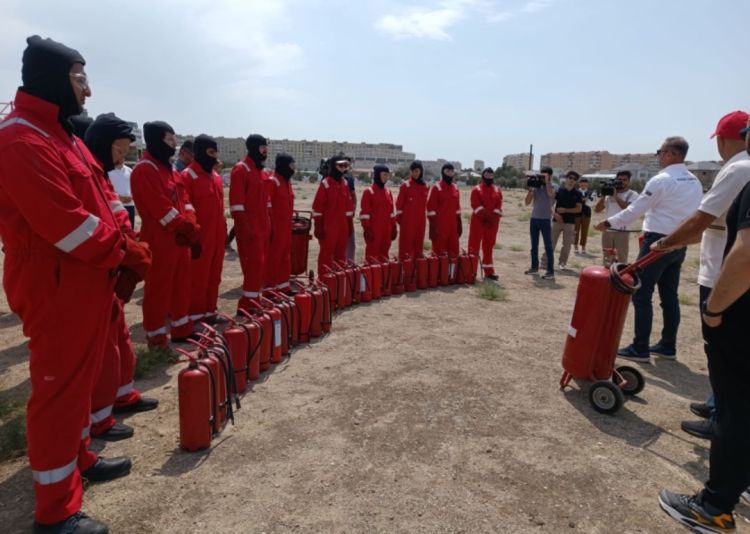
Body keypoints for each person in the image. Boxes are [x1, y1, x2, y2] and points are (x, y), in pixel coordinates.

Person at [0, 35, 149, 534]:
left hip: (84, 277)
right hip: (56, 280)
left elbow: (101, 202)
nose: (87, 91)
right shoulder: (21, 139)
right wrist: (124, 250)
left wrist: (120, 246)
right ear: (50, 78)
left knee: (80, 381)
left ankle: (78, 457)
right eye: (79, 78)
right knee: (59, 388)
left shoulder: (58, 134)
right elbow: (67, 224)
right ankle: (56, 510)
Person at [658, 163, 750, 534]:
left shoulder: (742, 172)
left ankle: (713, 509)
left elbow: (746, 254)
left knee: (735, 411)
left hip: (741, 317)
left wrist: (715, 309)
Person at [651, 111, 750, 441]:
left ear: (723, 139)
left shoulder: (737, 168)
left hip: (723, 276)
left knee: (722, 353)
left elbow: (701, 220)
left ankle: (722, 420)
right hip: (727, 270)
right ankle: (715, 406)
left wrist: (666, 242)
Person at [83, 113, 159, 442]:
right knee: (98, 352)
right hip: (91, 272)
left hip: (111, 270)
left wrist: (131, 247)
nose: (121, 158)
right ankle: (97, 421)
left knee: (120, 344)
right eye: (119, 150)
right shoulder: (86, 174)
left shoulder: (101, 177)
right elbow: (85, 228)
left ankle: (122, 395)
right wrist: (123, 252)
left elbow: (118, 217)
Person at [595, 136, 702, 363]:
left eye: (660, 151)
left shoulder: (661, 180)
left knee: (641, 294)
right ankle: (667, 345)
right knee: (669, 296)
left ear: (671, 154)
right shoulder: (694, 181)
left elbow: (636, 209)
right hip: (680, 242)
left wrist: (608, 222)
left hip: (657, 242)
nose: (659, 156)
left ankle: (640, 347)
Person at [132, 121, 200, 348]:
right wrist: (184, 227)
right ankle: (156, 335)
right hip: (161, 240)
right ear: (156, 140)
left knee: (182, 284)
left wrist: (190, 223)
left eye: (174, 139)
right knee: (159, 288)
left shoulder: (171, 170)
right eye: (169, 139)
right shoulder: (145, 170)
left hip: (180, 240)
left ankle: (182, 328)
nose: (173, 144)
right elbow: (160, 209)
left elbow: (186, 201)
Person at [181, 134, 227, 323]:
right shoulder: (187, 177)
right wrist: (193, 237)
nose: (214, 156)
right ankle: (196, 317)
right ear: (199, 152)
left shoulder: (215, 177)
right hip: (200, 238)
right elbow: (184, 208)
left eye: (216, 152)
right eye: (210, 152)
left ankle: (210, 312)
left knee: (214, 276)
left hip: (217, 237)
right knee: (197, 278)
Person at [230, 134, 271, 311]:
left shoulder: (261, 172)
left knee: (260, 267)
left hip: (262, 228)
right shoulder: (241, 169)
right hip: (250, 229)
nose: (265, 151)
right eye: (263, 147)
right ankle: (247, 304)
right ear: (254, 148)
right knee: (252, 267)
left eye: (266, 147)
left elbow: (266, 203)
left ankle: (255, 299)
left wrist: (269, 226)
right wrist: (245, 229)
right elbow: (237, 206)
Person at [312, 155, 355, 275]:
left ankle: (339, 283)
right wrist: (318, 225)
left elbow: (349, 207)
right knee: (326, 254)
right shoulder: (325, 183)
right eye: (340, 165)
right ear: (333, 166)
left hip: (342, 228)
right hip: (328, 227)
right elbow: (317, 208)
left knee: (341, 255)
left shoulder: (345, 183)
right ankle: (324, 280)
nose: (343, 168)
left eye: (345, 166)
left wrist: (349, 223)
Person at [264, 153, 296, 291]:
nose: (293, 168)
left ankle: (283, 286)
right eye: (291, 165)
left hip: (286, 227)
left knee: (285, 257)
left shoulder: (286, 182)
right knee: (273, 258)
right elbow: (266, 206)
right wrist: (270, 228)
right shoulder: (273, 181)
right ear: (284, 165)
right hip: (275, 228)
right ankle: (270, 290)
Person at [594, 170, 639, 264]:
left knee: (621, 258)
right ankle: (607, 276)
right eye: (619, 179)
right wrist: (604, 195)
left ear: (629, 181)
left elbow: (627, 208)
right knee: (607, 258)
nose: (621, 182)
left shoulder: (632, 194)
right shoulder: (609, 195)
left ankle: (618, 277)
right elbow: (597, 210)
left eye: (624, 180)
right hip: (607, 230)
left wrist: (615, 196)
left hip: (622, 231)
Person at [468, 167, 503, 280]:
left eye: (491, 175)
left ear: (493, 176)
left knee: (489, 246)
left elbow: (499, 207)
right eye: (486, 174)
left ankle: (489, 272)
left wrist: (492, 219)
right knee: (474, 246)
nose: (488, 177)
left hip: (492, 224)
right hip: (478, 221)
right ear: (483, 175)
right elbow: (475, 205)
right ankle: (471, 272)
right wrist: (485, 218)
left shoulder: (497, 190)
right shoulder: (476, 189)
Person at [427, 163, 461, 275]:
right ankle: (437, 274)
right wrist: (432, 226)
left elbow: (457, 208)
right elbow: (430, 208)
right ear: (443, 173)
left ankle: (450, 275)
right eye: (447, 171)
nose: (450, 173)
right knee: (439, 250)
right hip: (440, 226)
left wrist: (459, 223)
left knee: (454, 250)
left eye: (452, 171)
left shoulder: (455, 187)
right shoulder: (437, 187)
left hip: (453, 226)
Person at [524, 166, 556, 280]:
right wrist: (531, 189)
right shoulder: (536, 187)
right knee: (534, 245)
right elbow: (527, 202)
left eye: (544, 175)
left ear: (549, 176)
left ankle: (550, 271)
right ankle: (534, 267)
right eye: (541, 175)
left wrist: (547, 182)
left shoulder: (552, 186)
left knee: (548, 246)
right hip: (534, 219)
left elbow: (551, 195)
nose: (542, 177)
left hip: (545, 220)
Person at [546, 171, 582, 270]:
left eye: (574, 179)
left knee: (566, 245)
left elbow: (579, 209)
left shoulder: (578, 193)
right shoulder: (559, 190)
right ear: (566, 178)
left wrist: (565, 210)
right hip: (556, 221)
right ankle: (545, 261)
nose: (572, 180)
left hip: (570, 223)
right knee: (551, 242)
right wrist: (555, 214)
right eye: (570, 178)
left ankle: (562, 263)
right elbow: (550, 198)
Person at [360, 165, 397, 261]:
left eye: (388, 175)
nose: (386, 177)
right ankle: (370, 275)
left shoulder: (388, 192)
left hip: (387, 231)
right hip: (374, 231)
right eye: (384, 174)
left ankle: (383, 275)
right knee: (372, 256)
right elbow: (365, 214)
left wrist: (394, 227)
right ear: (377, 175)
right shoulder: (368, 192)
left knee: (384, 256)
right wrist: (367, 229)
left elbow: (391, 213)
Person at [396, 160, 428, 261]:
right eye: (413, 171)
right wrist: (402, 221)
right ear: (410, 172)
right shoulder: (405, 186)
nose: (415, 173)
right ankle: (405, 271)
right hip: (407, 222)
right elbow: (399, 205)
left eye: (417, 171)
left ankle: (417, 271)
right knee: (406, 246)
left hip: (420, 222)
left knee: (418, 245)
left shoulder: (425, 186)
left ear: (421, 171)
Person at [573, 177, 594, 255]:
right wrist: (584, 200)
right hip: (576, 214)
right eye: (582, 183)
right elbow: (573, 202)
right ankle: (575, 246)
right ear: (579, 184)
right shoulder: (575, 192)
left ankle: (583, 246)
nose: (583, 185)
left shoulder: (591, 192)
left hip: (587, 214)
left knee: (585, 231)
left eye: (585, 183)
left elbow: (591, 203)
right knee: (575, 230)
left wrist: (585, 200)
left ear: (587, 184)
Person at [345, 164, 357, 262]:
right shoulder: (328, 180)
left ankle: (349, 266)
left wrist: (353, 209)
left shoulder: (349, 179)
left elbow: (353, 195)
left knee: (351, 245)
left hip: (348, 219)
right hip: (334, 220)